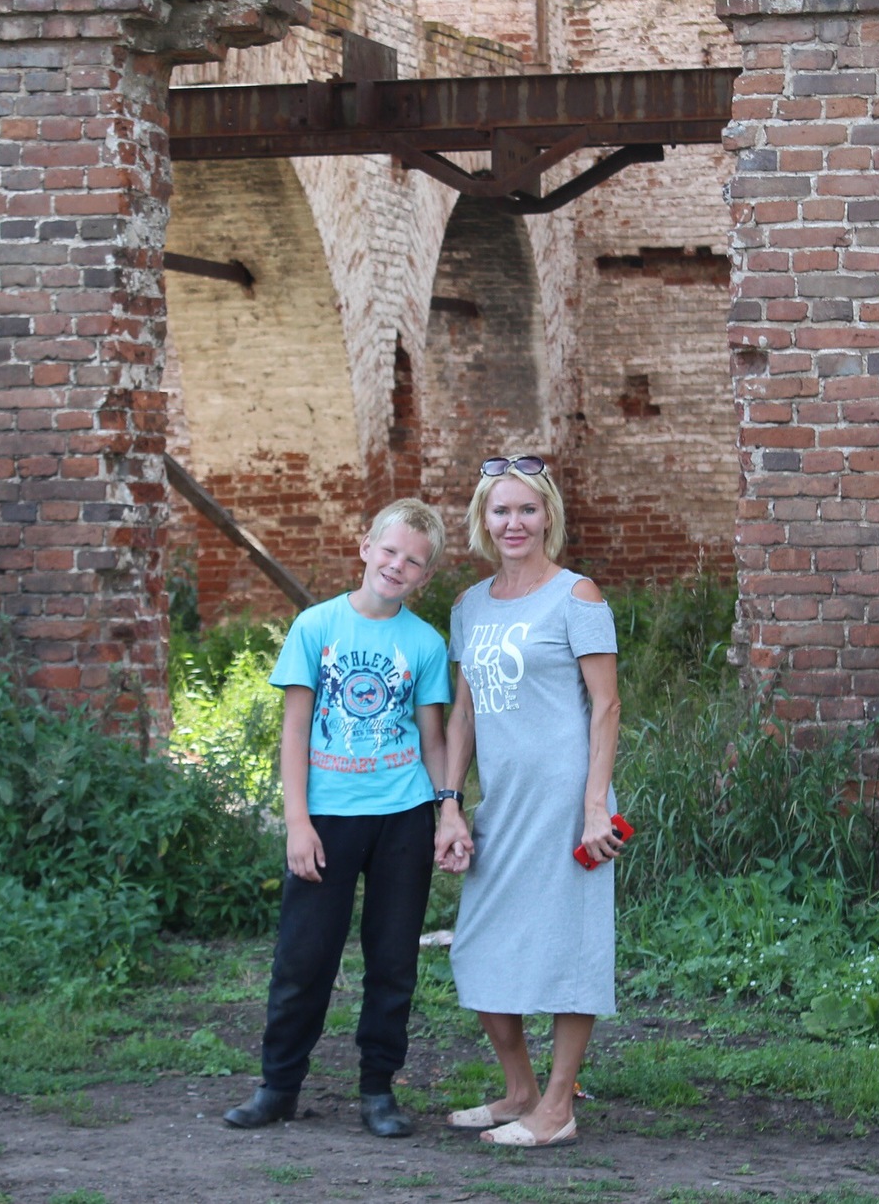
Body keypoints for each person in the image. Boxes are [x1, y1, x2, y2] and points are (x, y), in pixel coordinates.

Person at [224, 499, 453, 1139]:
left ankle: (378, 1090)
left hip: (403, 817)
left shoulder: (425, 643)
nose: (397, 565)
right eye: (389, 551)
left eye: (413, 560)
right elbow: (294, 730)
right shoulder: (316, 627)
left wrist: (447, 811)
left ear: (424, 575)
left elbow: (432, 737)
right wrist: (298, 820)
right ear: (365, 548)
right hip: (327, 817)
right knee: (304, 957)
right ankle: (278, 1086)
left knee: (392, 959)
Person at [432, 454, 623, 1149]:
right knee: (478, 944)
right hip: (503, 802)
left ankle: (557, 1105)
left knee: (571, 944)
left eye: (527, 509)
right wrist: (450, 804)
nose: (514, 522)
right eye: (500, 510)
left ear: (548, 516)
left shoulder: (578, 596)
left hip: (568, 802)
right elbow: (463, 714)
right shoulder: (468, 606)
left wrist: (595, 804)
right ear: (484, 521)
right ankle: (518, 1089)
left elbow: (606, 706)